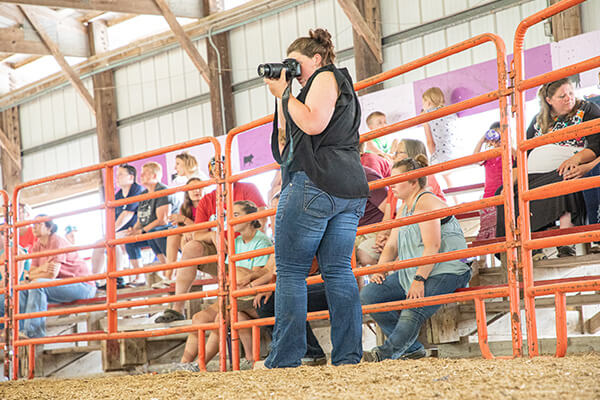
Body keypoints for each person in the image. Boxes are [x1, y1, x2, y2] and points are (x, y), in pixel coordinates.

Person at [263, 28, 368, 368]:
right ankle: (348, 356)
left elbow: (312, 123)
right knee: (338, 270)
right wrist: (284, 95)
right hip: (348, 187)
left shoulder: (325, 77)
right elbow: (283, 144)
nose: (291, 70)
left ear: (318, 59)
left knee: (291, 272)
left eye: (296, 64)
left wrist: (285, 95)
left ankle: (285, 358)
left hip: (317, 181)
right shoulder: (306, 91)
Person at [360, 156, 471, 362]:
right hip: (416, 268)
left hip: (448, 268)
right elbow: (391, 245)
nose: (391, 184)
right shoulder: (403, 209)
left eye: (397, 179)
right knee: (370, 295)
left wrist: (419, 279)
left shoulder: (426, 201)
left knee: (414, 305)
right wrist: (380, 270)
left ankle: (385, 353)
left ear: (413, 182)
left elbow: (433, 246)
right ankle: (411, 348)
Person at [496, 78, 600, 258]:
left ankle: (565, 241)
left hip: (566, 166)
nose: (569, 98)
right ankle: (525, 249)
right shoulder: (537, 122)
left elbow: (596, 145)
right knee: (508, 191)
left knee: (566, 177)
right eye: (562, 96)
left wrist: (577, 158)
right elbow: (521, 155)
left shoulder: (587, 109)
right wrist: (508, 182)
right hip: (534, 174)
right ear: (548, 100)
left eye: (570, 93)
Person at [155, 158, 266, 323]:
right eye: (215, 170)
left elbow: (261, 221)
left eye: (223, 168)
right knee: (192, 247)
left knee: (227, 314)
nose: (220, 173)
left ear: (230, 169)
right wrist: (213, 235)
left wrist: (243, 244)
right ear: (211, 174)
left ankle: (230, 309)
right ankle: (177, 308)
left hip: (248, 254)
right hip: (222, 254)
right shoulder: (208, 200)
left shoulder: (248, 189)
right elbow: (198, 234)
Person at [178, 201, 271, 368]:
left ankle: (200, 365)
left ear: (250, 218)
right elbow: (230, 274)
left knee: (222, 315)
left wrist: (238, 279)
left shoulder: (261, 241)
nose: (230, 219)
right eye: (230, 216)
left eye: (235, 215)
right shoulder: (235, 243)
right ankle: (184, 365)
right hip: (236, 295)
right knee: (198, 318)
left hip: (253, 296)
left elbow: (252, 277)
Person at [19, 217, 96, 338]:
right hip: (62, 284)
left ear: (49, 228)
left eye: (38, 224)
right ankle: (21, 331)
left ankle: (33, 334)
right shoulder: (36, 246)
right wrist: (41, 269)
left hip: (82, 285)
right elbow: (28, 275)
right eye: (33, 224)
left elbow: (51, 274)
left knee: (37, 284)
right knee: (22, 289)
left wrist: (32, 275)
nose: (33, 227)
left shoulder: (57, 240)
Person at [374, 138, 445, 256]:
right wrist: (381, 236)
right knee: (366, 253)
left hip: (424, 234)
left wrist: (392, 239)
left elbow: (416, 219)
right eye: (394, 152)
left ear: (412, 155)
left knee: (394, 252)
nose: (393, 156)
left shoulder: (426, 178)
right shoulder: (394, 184)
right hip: (400, 233)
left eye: (398, 152)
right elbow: (387, 217)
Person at [92, 164, 144, 289]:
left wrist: (111, 232)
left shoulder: (137, 190)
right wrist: (110, 232)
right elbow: (113, 217)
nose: (117, 177)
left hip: (137, 229)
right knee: (100, 244)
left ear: (131, 177)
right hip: (123, 231)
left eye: (120, 174)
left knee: (110, 241)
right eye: (117, 175)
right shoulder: (119, 195)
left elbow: (127, 215)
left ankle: (117, 277)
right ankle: (95, 279)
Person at [124, 162, 175, 285]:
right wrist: (134, 230)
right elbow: (141, 218)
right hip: (151, 230)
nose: (141, 175)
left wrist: (141, 231)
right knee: (129, 241)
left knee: (153, 234)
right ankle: (139, 276)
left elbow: (163, 219)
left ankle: (171, 272)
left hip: (167, 228)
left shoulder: (163, 190)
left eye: (145, 172)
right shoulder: (143, 194)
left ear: (155, 175)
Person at [154, 177, 205, 289]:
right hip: (190, 238)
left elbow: (203, 228)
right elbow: (180, 227)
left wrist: (185, 220)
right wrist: (185, 227)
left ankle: (188, 274)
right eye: (193, 189)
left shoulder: (207, 204)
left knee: (183, 238)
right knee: (173, 234)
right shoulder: (185, 207)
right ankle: (169, 276)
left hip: (204, 237)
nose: (196, 191)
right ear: (187, 192)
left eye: (199, 188)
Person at [421, 87, 459, 190]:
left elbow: (430, 142)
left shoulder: (427, 117)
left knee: (433, 179)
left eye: (423, 103)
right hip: (456, 153)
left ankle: (453, 201)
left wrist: (433, 157)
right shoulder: (451, 112)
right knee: (449, 180)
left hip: (441, 156)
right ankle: (457, 201)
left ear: (428, 103)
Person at [473, 123, 503, 240]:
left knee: (503, 229)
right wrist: (481, 141)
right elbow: (475, 159)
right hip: (489, 196)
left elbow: (517, 159)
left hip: (503, 194)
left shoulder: (510, 151)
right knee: (488, 230)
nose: (497, 140)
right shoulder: (488, 155)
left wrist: (505, 144)